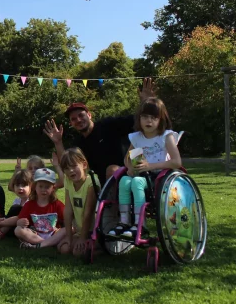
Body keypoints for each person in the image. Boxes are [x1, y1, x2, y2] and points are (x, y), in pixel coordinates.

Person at [44, 78, 156, 183]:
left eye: (81, 115)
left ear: (89, 115)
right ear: (71, 124)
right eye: (73, 119)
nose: (78, 120)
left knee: (112, 170)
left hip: (130, 175)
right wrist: (58, 142)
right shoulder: (79, 144)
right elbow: (68, 163)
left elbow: (139, 121)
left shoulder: (108, 125)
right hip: (103, 187)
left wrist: (146, 104)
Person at [108, 98, 181, 238]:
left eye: (154, 118)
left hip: (160, 177)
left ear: (161, 119)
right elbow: (128, 158)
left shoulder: (166, 137)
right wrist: (130, 166)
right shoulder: (137, 138)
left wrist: (150, 166)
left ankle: (140, 223)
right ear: (139, 119)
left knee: (136, 182)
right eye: (145, 117)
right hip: (141, 174)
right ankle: (124, 221)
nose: (149, 121)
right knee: (124, 181)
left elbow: (176, 162)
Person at [57, 148, 99, 256]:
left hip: (93, 231)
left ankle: (101, 248)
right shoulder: (68, 180)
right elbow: (68, 210)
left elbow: (88, 212)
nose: (70, 171)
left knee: (77, 253)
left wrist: (83, 238)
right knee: (65, 249)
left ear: (84, 165)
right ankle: (80, 242)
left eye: (74, 166)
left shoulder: (92, 182)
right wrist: (69, 236)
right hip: (79, 230)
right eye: (66, 168)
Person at [15, 168, 66, 249]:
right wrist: (20, 222)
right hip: (36, 234)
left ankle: (40, 245)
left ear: (53, 188)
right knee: (18, 230)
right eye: (40, 186)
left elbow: (68, 219)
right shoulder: (29, 204)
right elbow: (20, 221)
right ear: (35, 187)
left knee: (67, 229)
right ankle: (46, 243)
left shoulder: (57, 204)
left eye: (47, 187)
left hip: (53, 234)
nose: (43, 190)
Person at [0, 169, 32, 241]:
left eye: (24, 185)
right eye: (17, 185)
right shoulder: (17, 200)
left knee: (16, 208)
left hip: (26, 228)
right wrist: (2, 220)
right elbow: (11, 217)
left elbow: (23, 219)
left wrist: (1, 223)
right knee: (9, 212)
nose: (20, 188)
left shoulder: (31, 201)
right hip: (15, 227)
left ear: (31, 186)